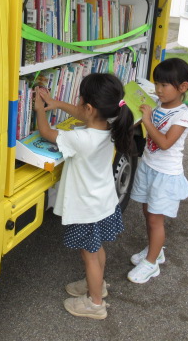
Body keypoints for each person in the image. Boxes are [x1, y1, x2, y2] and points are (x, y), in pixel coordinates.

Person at [34, 73, 134, 320]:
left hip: (86, 208)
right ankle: (97, 285)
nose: (78, 106)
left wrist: (39, 109)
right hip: (103, 203)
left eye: (80, 102)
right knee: (96, 248)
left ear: (89, 107)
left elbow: (46, 132)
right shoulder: (111, 125)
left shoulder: (80, 139)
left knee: (88, 254)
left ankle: (95, 303)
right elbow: (83, 114)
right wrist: (56, 103)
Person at [127, 58, 188, 284]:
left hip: (166, 175)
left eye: (163, 85)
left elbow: (164, 143)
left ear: (182, 88)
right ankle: (155, 250)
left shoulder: (183, 116)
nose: (158, 90)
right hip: (149, 167)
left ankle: (151, 264)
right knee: (147, 213)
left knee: (155, 220)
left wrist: (147, 120)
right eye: (156, 84)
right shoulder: (160, 105)